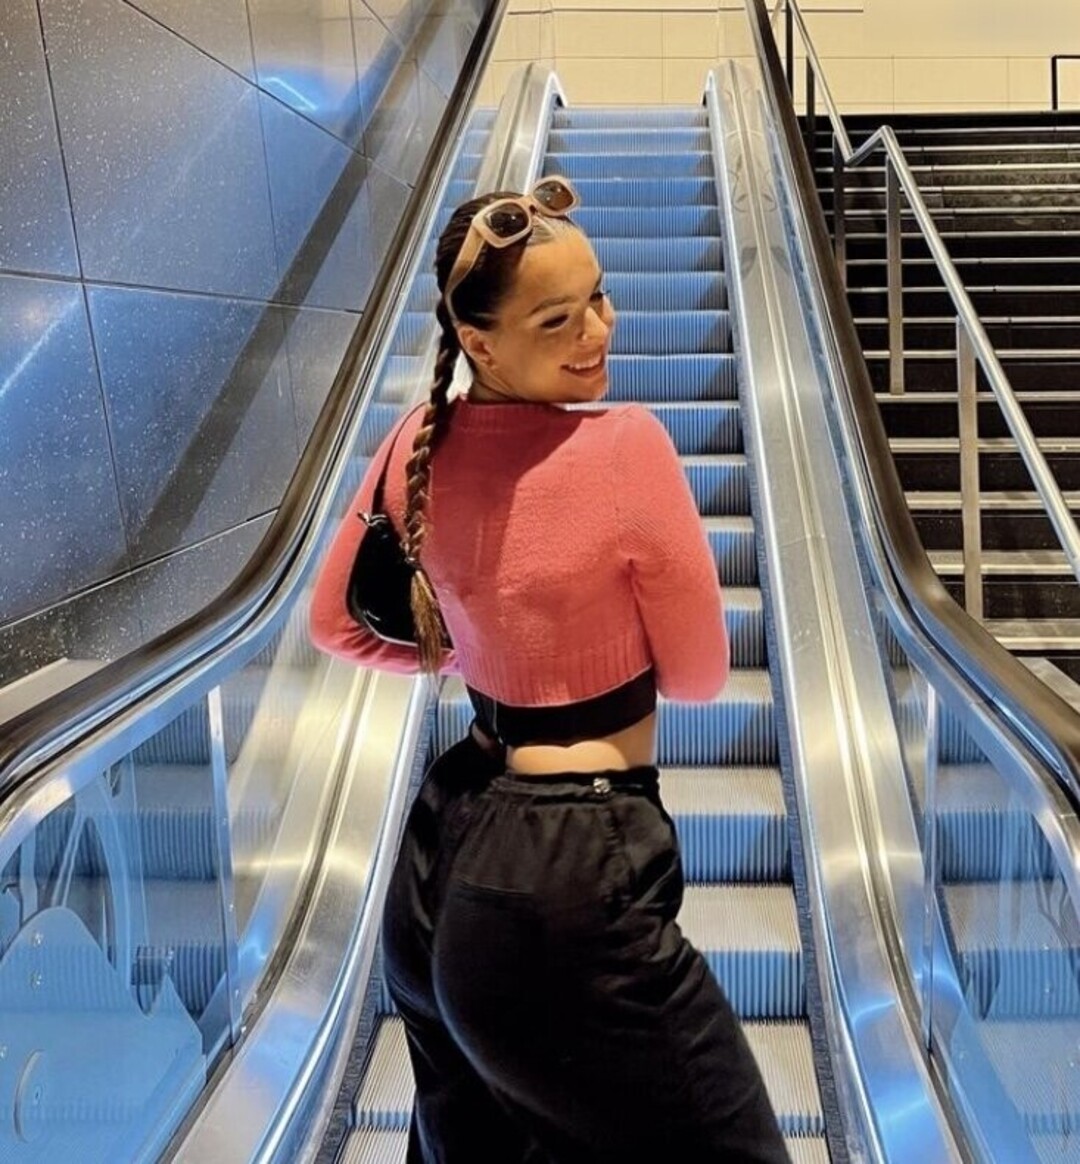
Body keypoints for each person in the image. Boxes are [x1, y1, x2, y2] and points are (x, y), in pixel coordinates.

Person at [309, 176, 789, 1163]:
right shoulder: (625, 448)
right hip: (570, 873)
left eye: (598, 297)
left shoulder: (413, 446)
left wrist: (485, 645)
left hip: (445, 850)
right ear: (479, 341)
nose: (595, 332)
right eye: (556, 319)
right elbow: (699, 675)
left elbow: (336, 625)